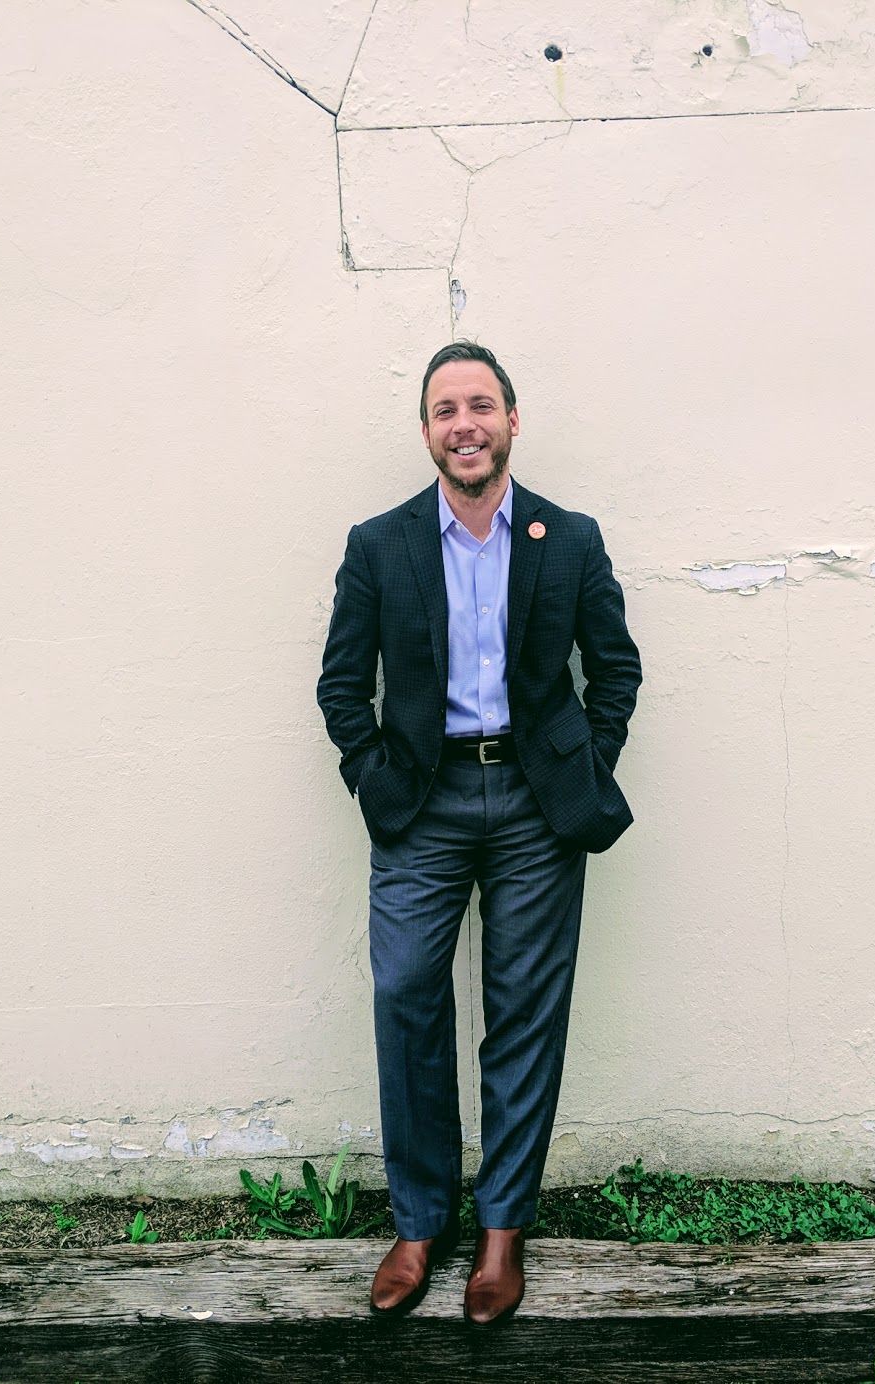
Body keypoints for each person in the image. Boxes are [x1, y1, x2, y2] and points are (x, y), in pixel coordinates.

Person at [317, 341, 641, 1325]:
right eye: (447, 409)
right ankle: (420, 1221)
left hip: (538, 807)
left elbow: (614, 671)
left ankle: (501, 1229)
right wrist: (374, 778)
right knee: (407, 993)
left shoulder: (569, 539)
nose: (466, 424)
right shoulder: (380, 545)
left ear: (510, 420)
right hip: (423, 801)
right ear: (427, 431)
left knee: (523, 1012)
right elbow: (341, 686)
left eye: (482, 405)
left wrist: (583, 766)